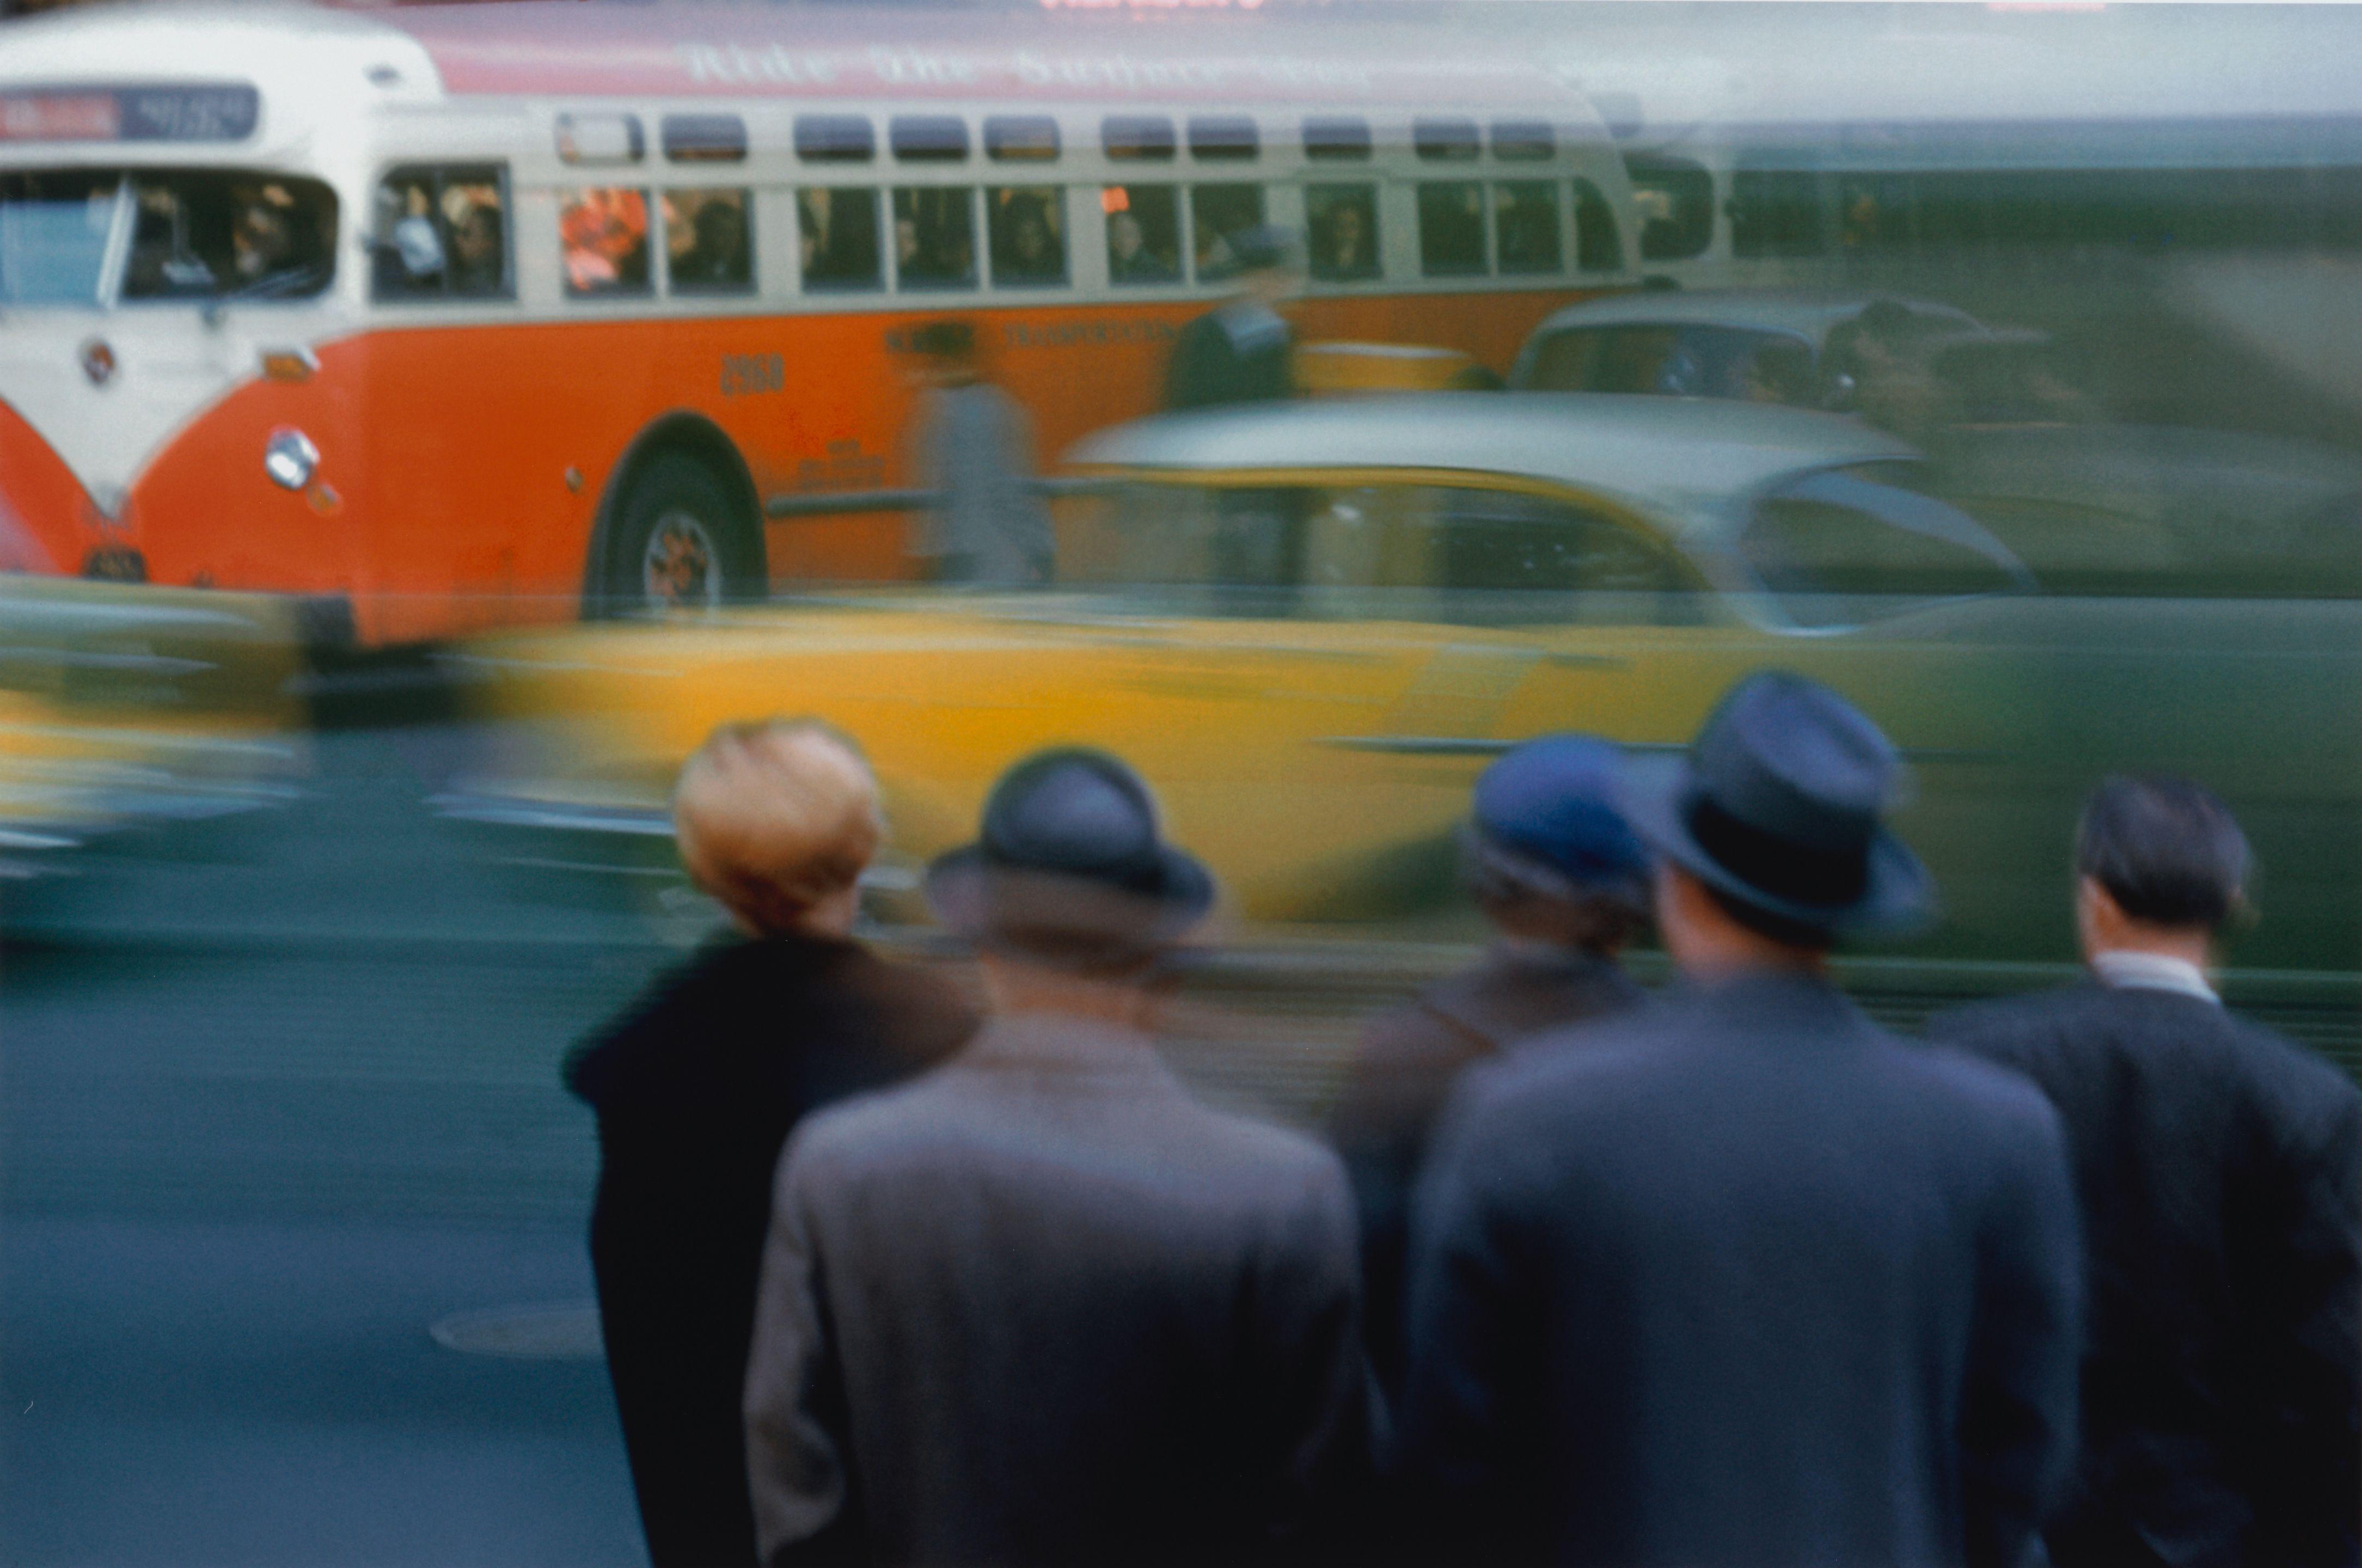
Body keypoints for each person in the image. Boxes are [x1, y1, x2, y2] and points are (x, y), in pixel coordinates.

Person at [1395, 671, 2083, 1568]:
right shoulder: (1999, 1132)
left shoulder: (1526, 1115)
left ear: (1673, 880)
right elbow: (2017, 1454)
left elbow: (1451, 1460)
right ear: (1847, 905)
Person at [744, 748, 1369, 1568]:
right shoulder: (1283, 1193)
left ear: (982, 950)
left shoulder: (839, 1168)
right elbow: (1325, 1508)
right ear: (1160, 957)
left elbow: (797, 1492)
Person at [564, 720, 976, 1568]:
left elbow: (669, 1407)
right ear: (865, 850)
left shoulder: (649, 1080)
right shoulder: (948, 1050)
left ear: (704, 869)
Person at [1930, 776, 2362, 1568]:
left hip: (2005, 1530)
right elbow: (2328, 1382)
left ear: (2092, 899)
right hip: (2219, 1536)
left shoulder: (1967, 1061)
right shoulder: (2310, 1103)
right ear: (2234, 905)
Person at [1327, 734, 1650, 1394]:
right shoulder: (1672, 1058)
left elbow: (1358, 1279)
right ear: (1643, 898)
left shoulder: (1404, 1049)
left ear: (1480, 881)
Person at [902, 319, 1053, 586]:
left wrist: (924, 555)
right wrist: (1040, 548)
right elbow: (1021, 486)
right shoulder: (1005, 406)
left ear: (939, 359)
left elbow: (931, 490)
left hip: (954, 555)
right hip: (1006, 554)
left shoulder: (933, 411)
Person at [1165, 224, 1299, 412]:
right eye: (1261, 278)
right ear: (1245, 280)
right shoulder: (1207, 334)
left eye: (1276, 278)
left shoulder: (1204, 330)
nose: (1271, 286)